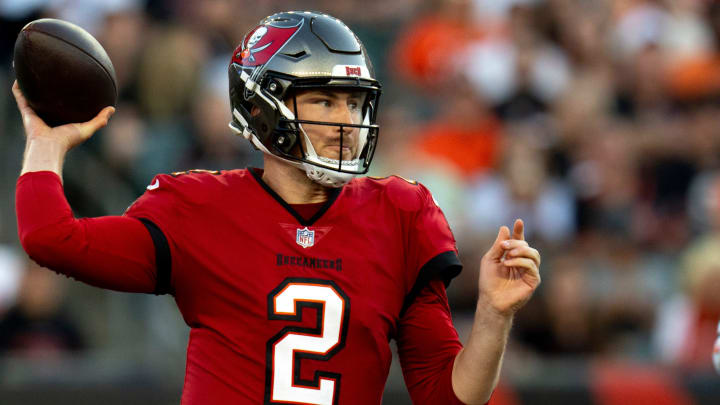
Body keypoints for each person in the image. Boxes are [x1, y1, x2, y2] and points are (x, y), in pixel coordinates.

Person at [13, 11, 541, 405]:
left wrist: (494, 316)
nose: (346, 121)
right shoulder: (197, 205)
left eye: (354, 102)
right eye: (324, 101)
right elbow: (53, 239)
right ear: (262, 107)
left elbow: (445, 397)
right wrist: (46, 144)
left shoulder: (402, 213)